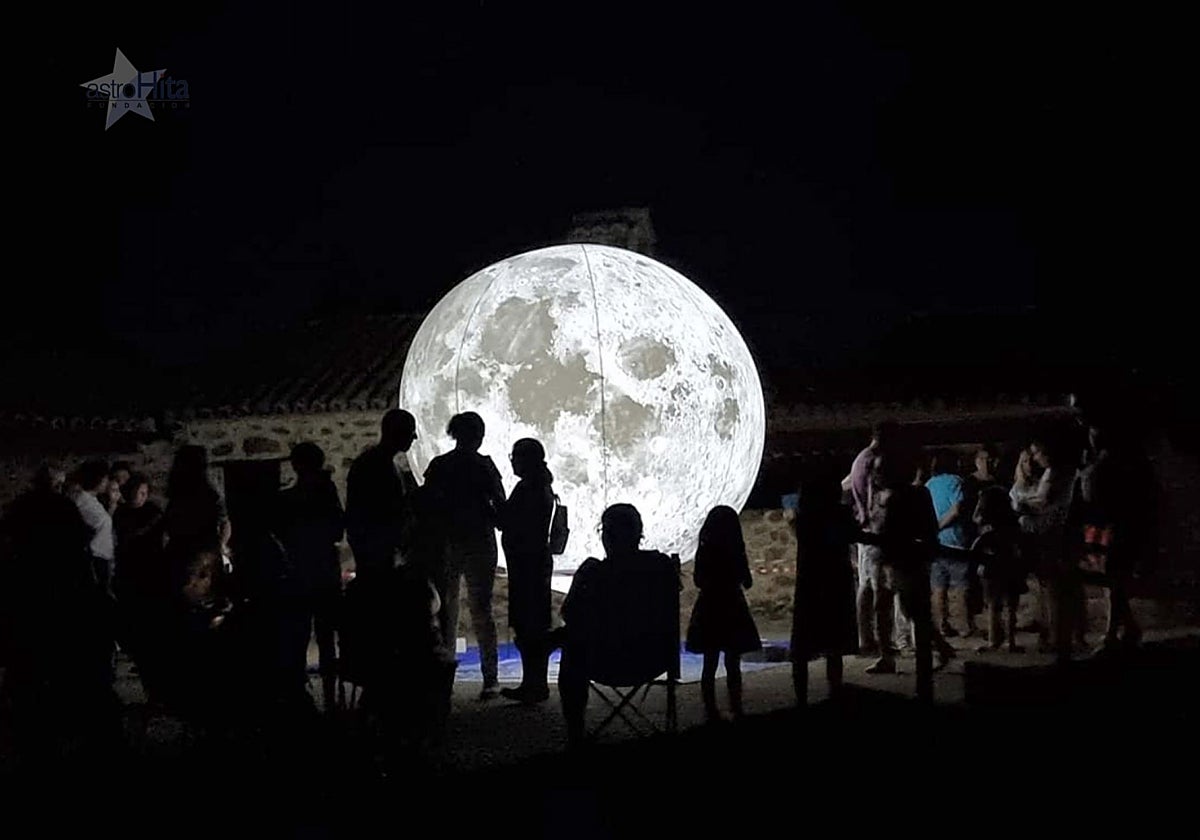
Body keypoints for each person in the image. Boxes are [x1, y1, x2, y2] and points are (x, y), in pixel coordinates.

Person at [557, 504, 678, 746]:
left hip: (601, 660)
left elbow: (569, 612)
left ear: (607, 535)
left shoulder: (593, 572)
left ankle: (576, 732)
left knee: (572, 642)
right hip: (652, 659)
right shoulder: (661, 567)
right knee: (575, 634)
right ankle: (549, 641)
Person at [422, 411, 506, 700]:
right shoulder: (484, 467)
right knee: (481, 610)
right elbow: (501, 508)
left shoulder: (439, 465)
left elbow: (427, 506)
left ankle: (441, 678)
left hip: (447, 543)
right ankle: (490, 678)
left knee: (446, 609)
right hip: (479, 543)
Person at [342, 409, 422, 710]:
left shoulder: (372, 464)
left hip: (377, 555)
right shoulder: (378, 467)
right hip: (379, 557)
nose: (414, 438)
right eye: (410, 431)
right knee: (382, 620)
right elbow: (378, 515)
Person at [275, 442, 346, 712]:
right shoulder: (326, 492)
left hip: (299, 572)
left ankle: (300, 696)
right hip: (323, 572)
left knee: (299, 635)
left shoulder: (288, 499)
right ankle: (329, 696)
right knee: (325, 638)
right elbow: (338, 530)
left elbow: (281, 533)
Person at [686, 505, 761, 722]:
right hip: (732, 607)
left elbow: (698, 579)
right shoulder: (736, 550)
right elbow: (747, 581)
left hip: (709, 607)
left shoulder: (705, 549)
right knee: (733, 663)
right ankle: (736, 707)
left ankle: (711, 710)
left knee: (709, 664)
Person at [789, 468, 857, 705]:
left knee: (803, 647)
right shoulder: (838, 514)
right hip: (835, 581)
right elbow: (852, 534)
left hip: (810, 582)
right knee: (834, 645)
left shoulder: (803, 518)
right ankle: (834, 692)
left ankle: (801, 699)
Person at [498, 438, 556, 705]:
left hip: (527, 567)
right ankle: (533, 683)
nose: (512, 461)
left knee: (529, 627)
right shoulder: (540, 485)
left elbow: (508, 520)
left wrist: (493, 495)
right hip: (533, 564)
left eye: (515, 457)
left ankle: (534, 684)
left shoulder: (528, 488)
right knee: (532, 626)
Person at [1012, 437, 1081, 660]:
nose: (1034, 459)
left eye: (1036, 453)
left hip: (1053, 537)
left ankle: (1058, 639)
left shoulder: (1054, 474)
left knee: (1054, 589)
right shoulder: (1058, 473)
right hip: (1055, 535)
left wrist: (1022, 508)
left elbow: (1044, 504)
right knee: (1053, 589)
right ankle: (1058, 636)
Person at [843, 423, 895, 656]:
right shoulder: (872, 461)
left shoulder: (862, 459)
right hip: (873, 529)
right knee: (874, 587)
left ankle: (868, 639)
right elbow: (869, 494)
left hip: (868, 528)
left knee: (869, 586)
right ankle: (869, 641)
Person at [926, 451, 978, 638]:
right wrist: (942, 525)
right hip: (955, 539)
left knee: (939, 586)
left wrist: (933, 529)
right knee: (961, 586)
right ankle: (966, 626)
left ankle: (942, 625)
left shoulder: (929, 484)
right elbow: (957, 508)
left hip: (935, 542)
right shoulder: (957, 482)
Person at [971, 484, 1026, 653]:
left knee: (993, 605)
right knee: (1011, 605)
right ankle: (1011, 641)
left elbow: (977, 545)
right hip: (1011, 565)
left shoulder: (987, 525)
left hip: (991, 567)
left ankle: (993, 640)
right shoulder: (1012, 523)